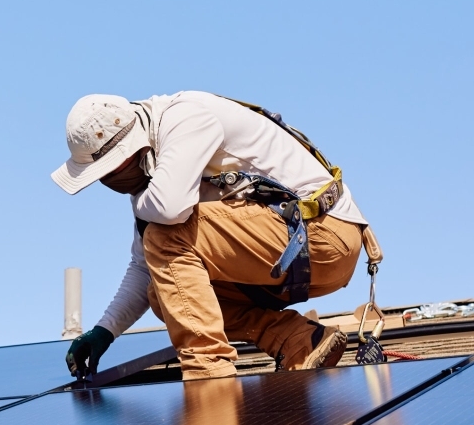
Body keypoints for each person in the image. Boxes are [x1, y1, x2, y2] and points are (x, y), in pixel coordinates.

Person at [52, 92, 380, 381]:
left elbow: (168, 214)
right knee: (162, 293)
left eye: (110, 170)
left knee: (165, 239)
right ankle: (297, 340)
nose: (109, 182)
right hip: (284, 259)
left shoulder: (185, 118)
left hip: (325, 238)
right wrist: (105, 331)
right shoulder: (152, 170)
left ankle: (208, 375)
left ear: (129, 147)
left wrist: (143, 207)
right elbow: (144, 265)